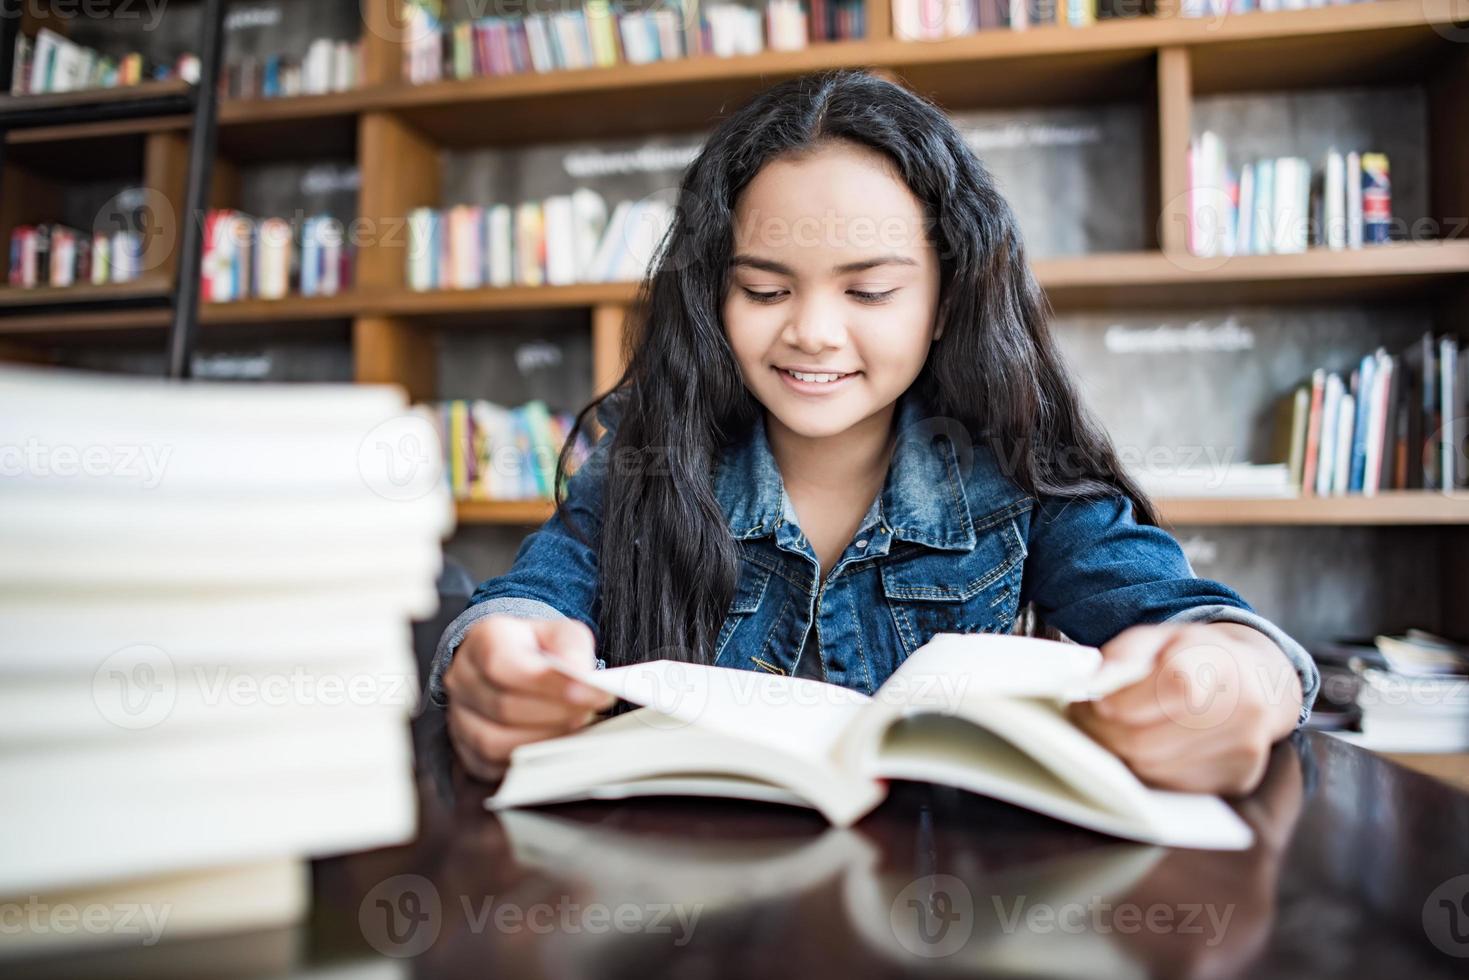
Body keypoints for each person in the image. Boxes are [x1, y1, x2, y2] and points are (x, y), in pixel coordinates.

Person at [429, 69, 1318, 797]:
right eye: (766, 290)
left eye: (868, 292)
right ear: (713, 295)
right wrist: (495, 658)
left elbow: (1190, 620)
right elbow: (532, 600)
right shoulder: (645, 450)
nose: (812, 331)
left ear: (943, 302)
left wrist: (1233, 677)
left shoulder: (1014, 466)